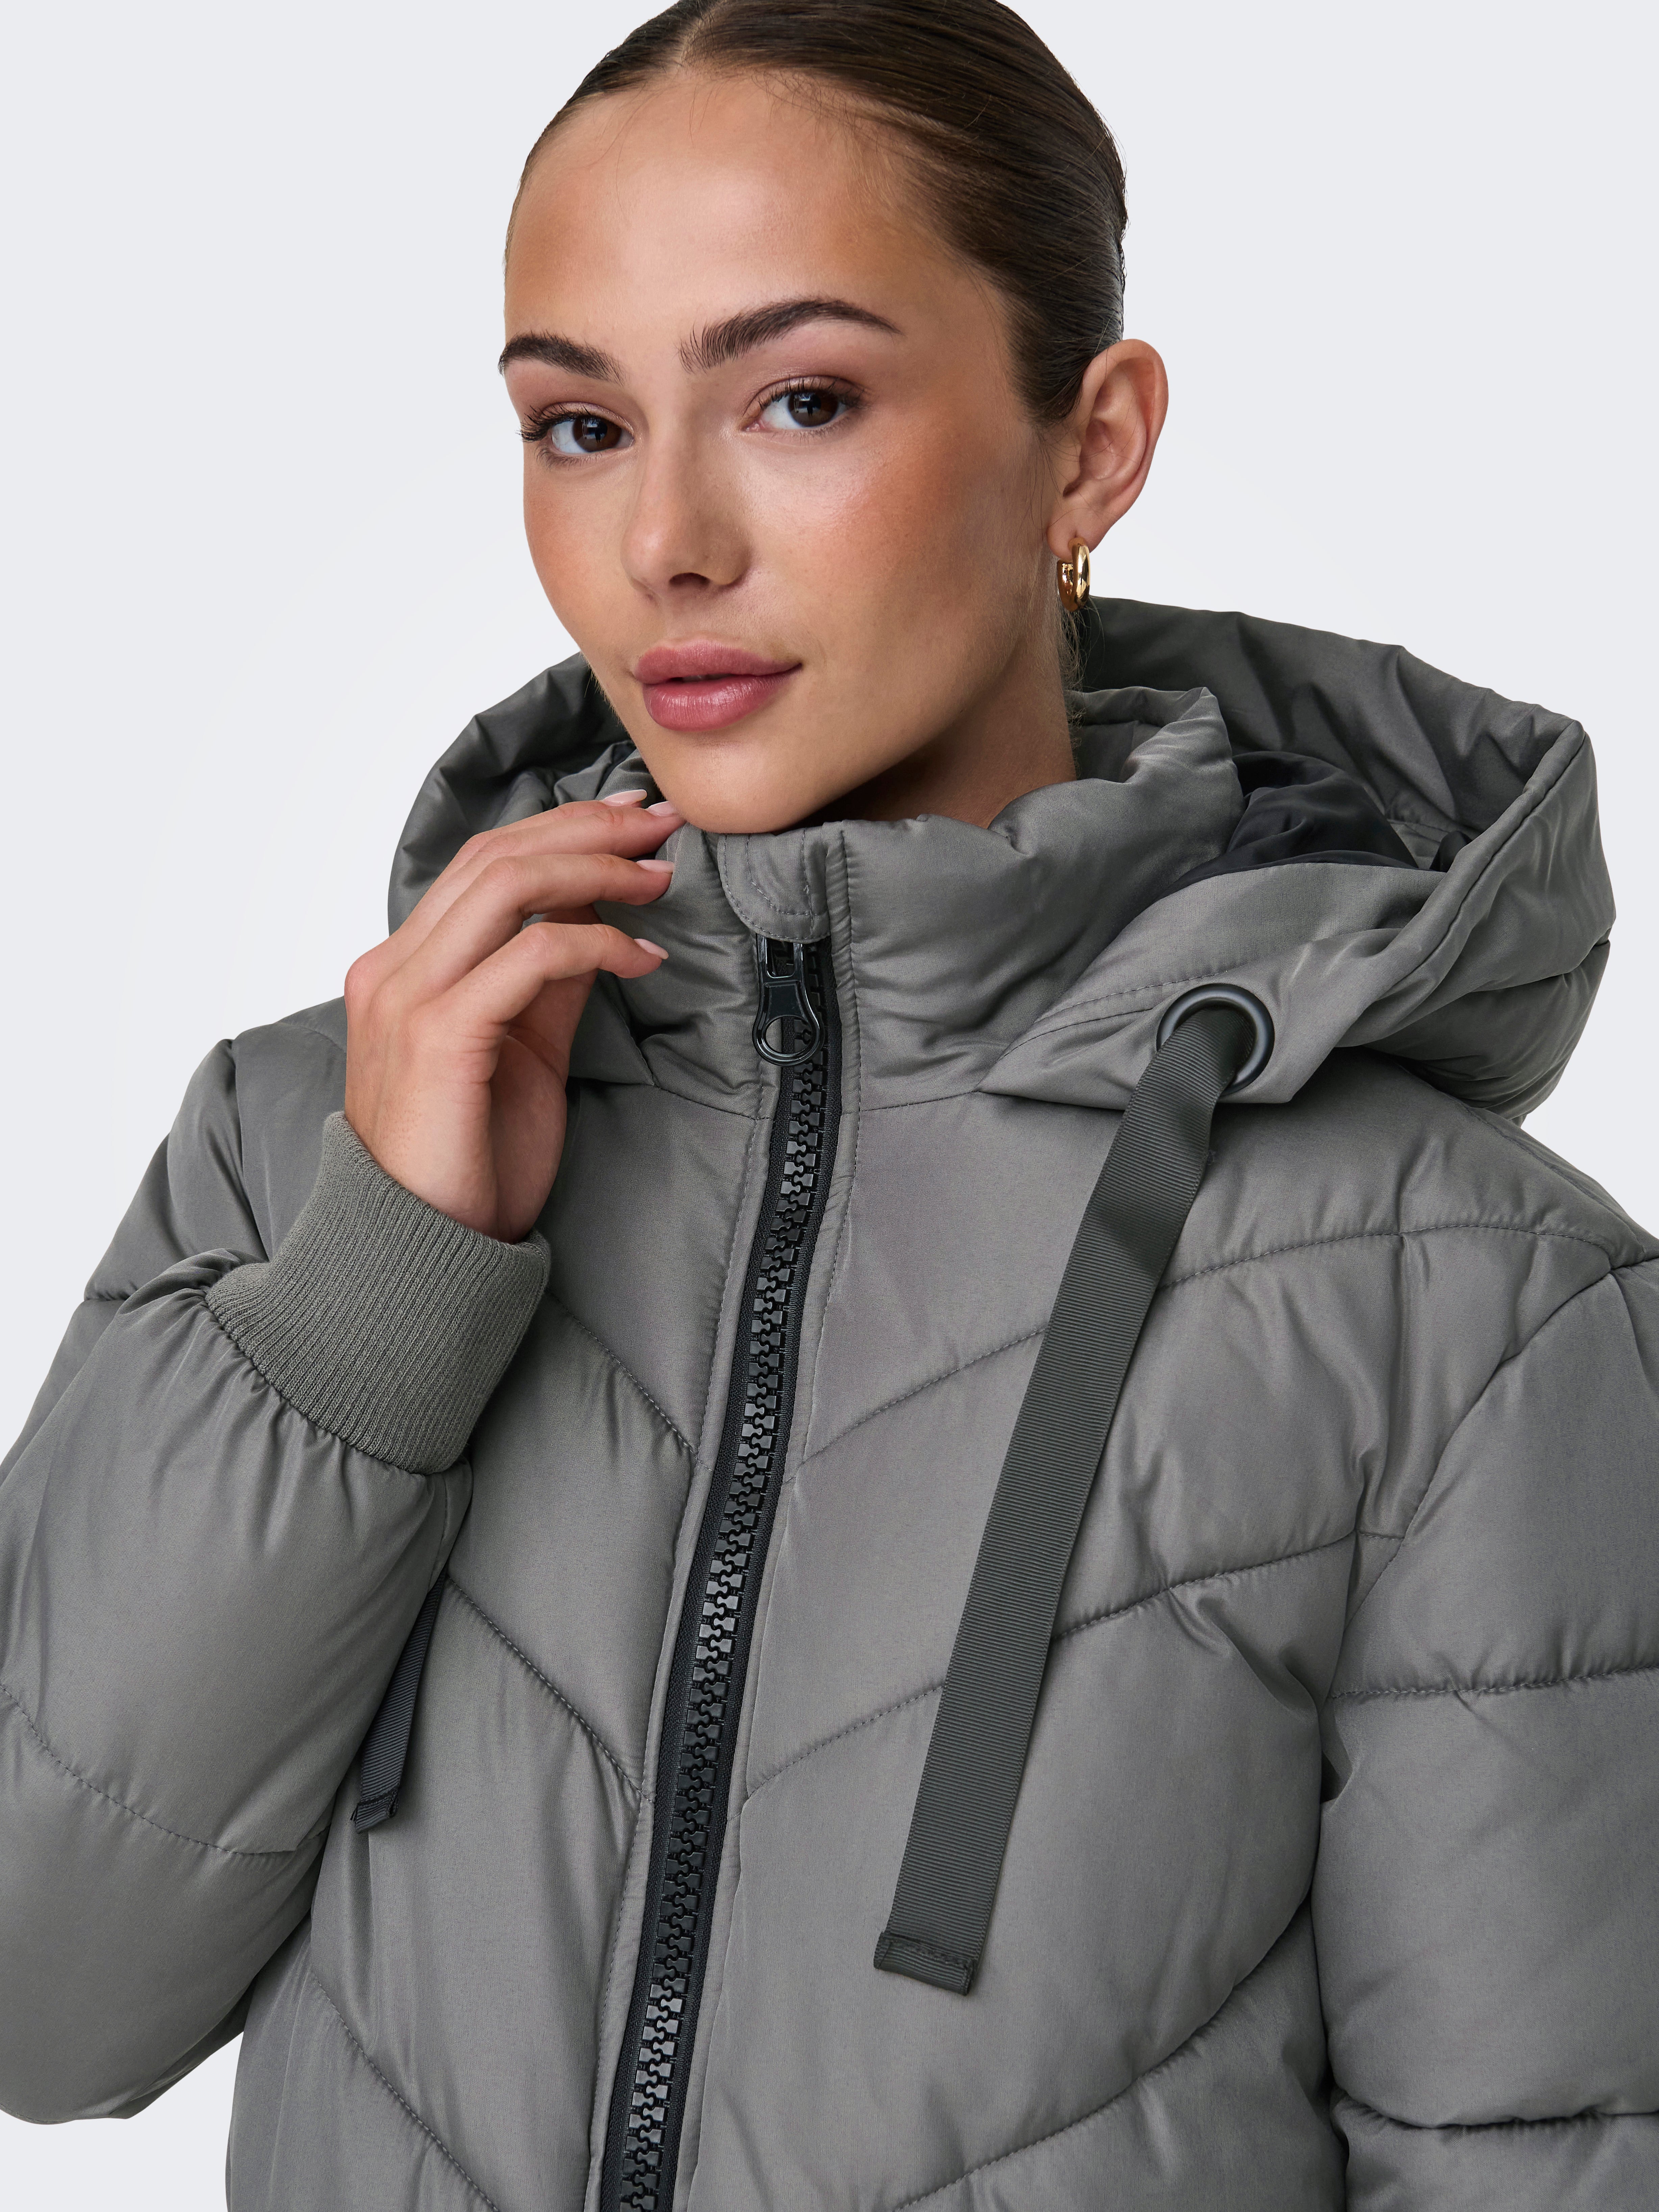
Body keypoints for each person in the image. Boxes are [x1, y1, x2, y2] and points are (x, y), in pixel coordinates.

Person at [2, 0, 1654, 2205]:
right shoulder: (307, 1144)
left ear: (1091, 447)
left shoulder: (1469, 1303)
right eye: (581, 424)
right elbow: (42, 2005)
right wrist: (380, 1294)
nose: (665, 541)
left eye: (801, 400)